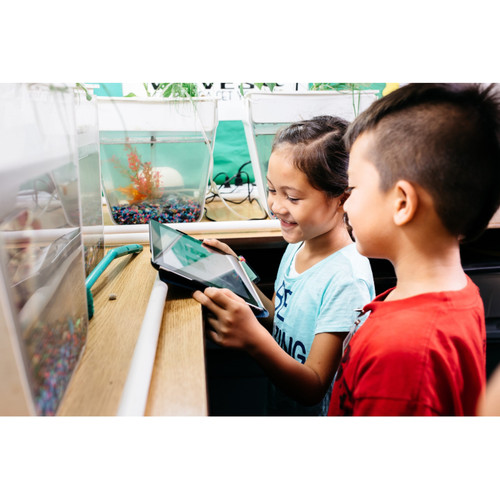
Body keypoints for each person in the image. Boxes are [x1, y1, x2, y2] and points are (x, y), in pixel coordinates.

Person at [328, 83, 500, 416]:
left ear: (402, 203)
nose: (345, 205)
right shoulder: (461, 292)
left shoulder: (401, 354)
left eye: (352, 188)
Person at [193, 115, 375, 415]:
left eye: (292, 197)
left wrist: (253, 340)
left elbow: (313, 387)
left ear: (342, 200)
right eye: (272, 190)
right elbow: (281, 317)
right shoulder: (299, 244)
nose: (276, 206)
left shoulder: (346, 280)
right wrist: (239, 279)